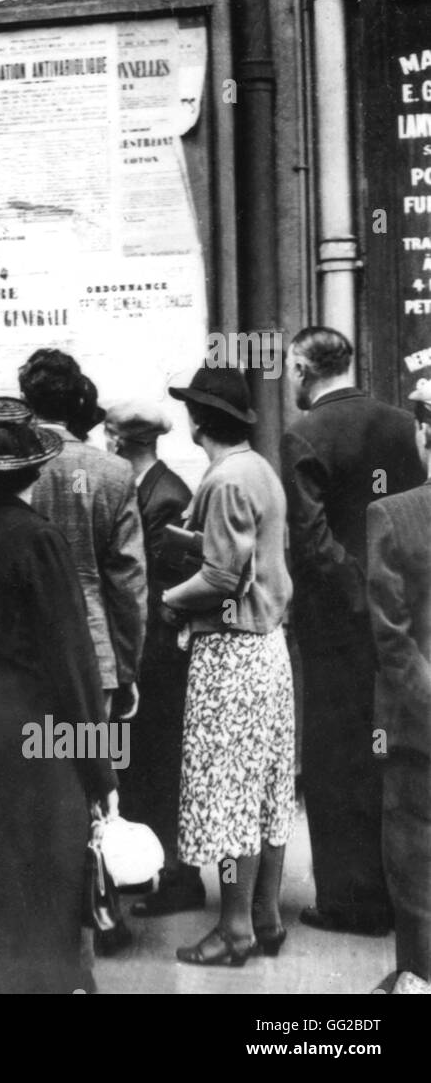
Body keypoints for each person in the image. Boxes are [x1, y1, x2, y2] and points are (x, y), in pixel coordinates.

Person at [0, 401, 118, 994]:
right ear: (33, 472)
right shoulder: (40, 540)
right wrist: (100, 771)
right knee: (42, 880)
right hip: (32, 733)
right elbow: (71, 661)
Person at [282, 326, 423, 937]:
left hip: (337, 622)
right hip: (404, 612)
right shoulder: (398, 424)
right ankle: (403, 894)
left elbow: (311, 542)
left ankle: (350, 901)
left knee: (336, 758)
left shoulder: (302, 436)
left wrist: (355, 593)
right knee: (392, 748)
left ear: (302, 368)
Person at [160, 367, 294, 966]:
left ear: (199, 419)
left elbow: (221, 579)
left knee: (228, 792)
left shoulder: (223, 481)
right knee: (266, 788)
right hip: (269, 649)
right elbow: (249, 556)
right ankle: (264, 917)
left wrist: (167, 599)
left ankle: (233, 929)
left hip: (232, 653)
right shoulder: (258, 469)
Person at [20, 348, 147, 955]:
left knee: (32, 775)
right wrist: (128, 662)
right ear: (77, 402)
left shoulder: (3, 468)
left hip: (18, 657)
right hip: (92, 656)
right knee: (91, 778)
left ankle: (39, 907)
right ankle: (97, 906)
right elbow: (128, 583)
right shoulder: (112, 473)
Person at [104, 401, 203, 917]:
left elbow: (163, 586)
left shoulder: (164, 498)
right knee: (147, 766)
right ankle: (162, 872)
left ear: (121, 442)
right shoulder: (157, 489)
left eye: (110, 435)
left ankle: (180, 880)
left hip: (159, 658)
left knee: (162, 769)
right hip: (149, 654)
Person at [365, 378, 431, 994]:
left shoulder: (392, 513)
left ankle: (419, 978)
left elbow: (393, 638)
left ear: (424, 433)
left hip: (417, 729)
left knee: (415, 860)